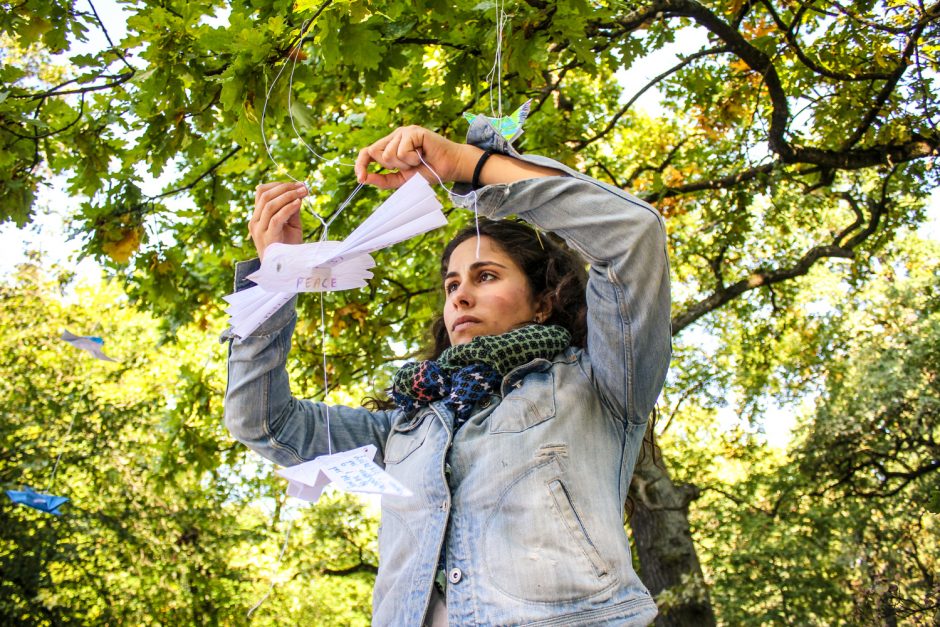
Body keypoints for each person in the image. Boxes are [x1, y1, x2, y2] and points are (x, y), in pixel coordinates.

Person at [224, 120, 672, 626]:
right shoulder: (404, 426)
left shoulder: (599, 383)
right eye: (451, 283)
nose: (458, 295)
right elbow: (262, 423)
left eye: (486, 276)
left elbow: (632, 234)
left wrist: (468, 166)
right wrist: (276, 280)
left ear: (545, 301)